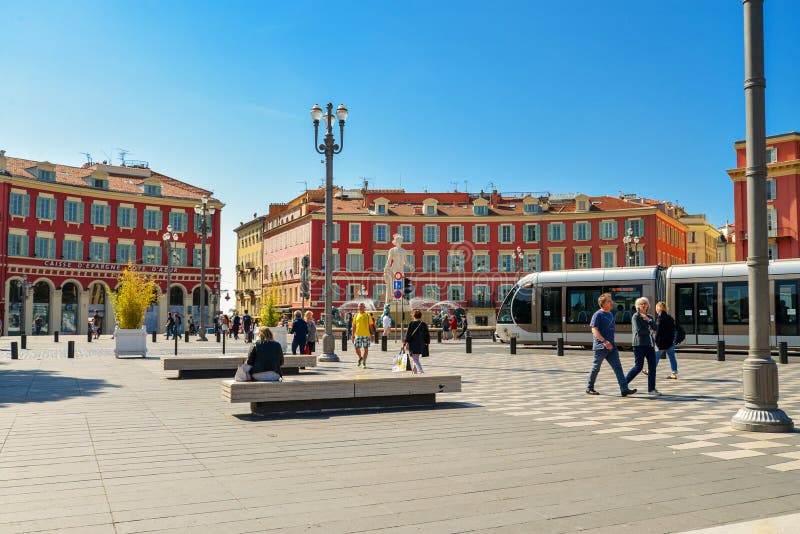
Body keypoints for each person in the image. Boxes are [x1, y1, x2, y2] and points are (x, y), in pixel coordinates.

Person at [586, 293, 637, 397]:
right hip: (601, 346)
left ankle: (624, 389)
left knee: (618, 367)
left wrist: (610, 343)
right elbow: (594, 330)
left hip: (611, 347)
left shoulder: (610, 314)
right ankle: (589, 387)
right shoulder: (598, 315)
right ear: (603, 304)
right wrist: (604, 341)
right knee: (596, 367)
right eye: (609, 301)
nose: (612, 302)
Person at [625, 297, 659, 396]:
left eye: (645, 303)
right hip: (639, 344)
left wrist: (649, 320)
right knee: (638, 367)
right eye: (641, 304)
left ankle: (651, 389)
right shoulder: (636, 317)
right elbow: (639, 331)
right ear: (638, 306)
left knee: (652, 367)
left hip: (650, 344)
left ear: (648, 305)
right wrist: (649, 330)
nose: (643, 305)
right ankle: (623, 384)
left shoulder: (650, 317)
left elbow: (656, 328)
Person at [383, 233, 411, 306]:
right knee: (395, 283)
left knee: (400, 283)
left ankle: (400, 297)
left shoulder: (404, 251)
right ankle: (394, 297)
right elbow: (389, 260)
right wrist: (386, 268)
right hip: (394, 268)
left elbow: (405, 261)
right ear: (395, 242)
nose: (399, 242)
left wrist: (410, 266)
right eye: (398, 240)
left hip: (401, 269)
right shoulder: (392, 250)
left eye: (400, 241)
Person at [654, 301, 679, 380]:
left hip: (661, 342)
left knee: (656, 356)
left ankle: (651, 370)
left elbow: (658, 331)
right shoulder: (670, 317)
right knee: (672, 357)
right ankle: (674, 373)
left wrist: (655, 341)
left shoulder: (660, 317)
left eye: (656, 308)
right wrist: (673, 340)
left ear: (658, 308)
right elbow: (674, 329)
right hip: (670, 341)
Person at [403, 309, 430, 374]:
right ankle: (414, 372)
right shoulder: (423, 324)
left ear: (414, 316)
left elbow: (408, 334)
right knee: (416, 358)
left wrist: (405, 342)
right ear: (421, 316)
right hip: (421, 344)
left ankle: (420, 370)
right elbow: (427, 334)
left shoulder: (411, 323)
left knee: (415, 359)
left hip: (413, 344)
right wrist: (427, 342)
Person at [351, 302, 372, 368]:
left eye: (362, 306)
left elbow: (371, 325)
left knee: (366, 349)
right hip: (357, 335)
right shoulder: (356, 315)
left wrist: (372, 335)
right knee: (357, 348)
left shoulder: (368, 315)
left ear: (364, 307)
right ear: (358, 308)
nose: (360, 308)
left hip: (366, 334)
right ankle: (360, 358)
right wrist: (352, 336)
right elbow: (353, 326)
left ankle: (364, 362)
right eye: (359, 306)